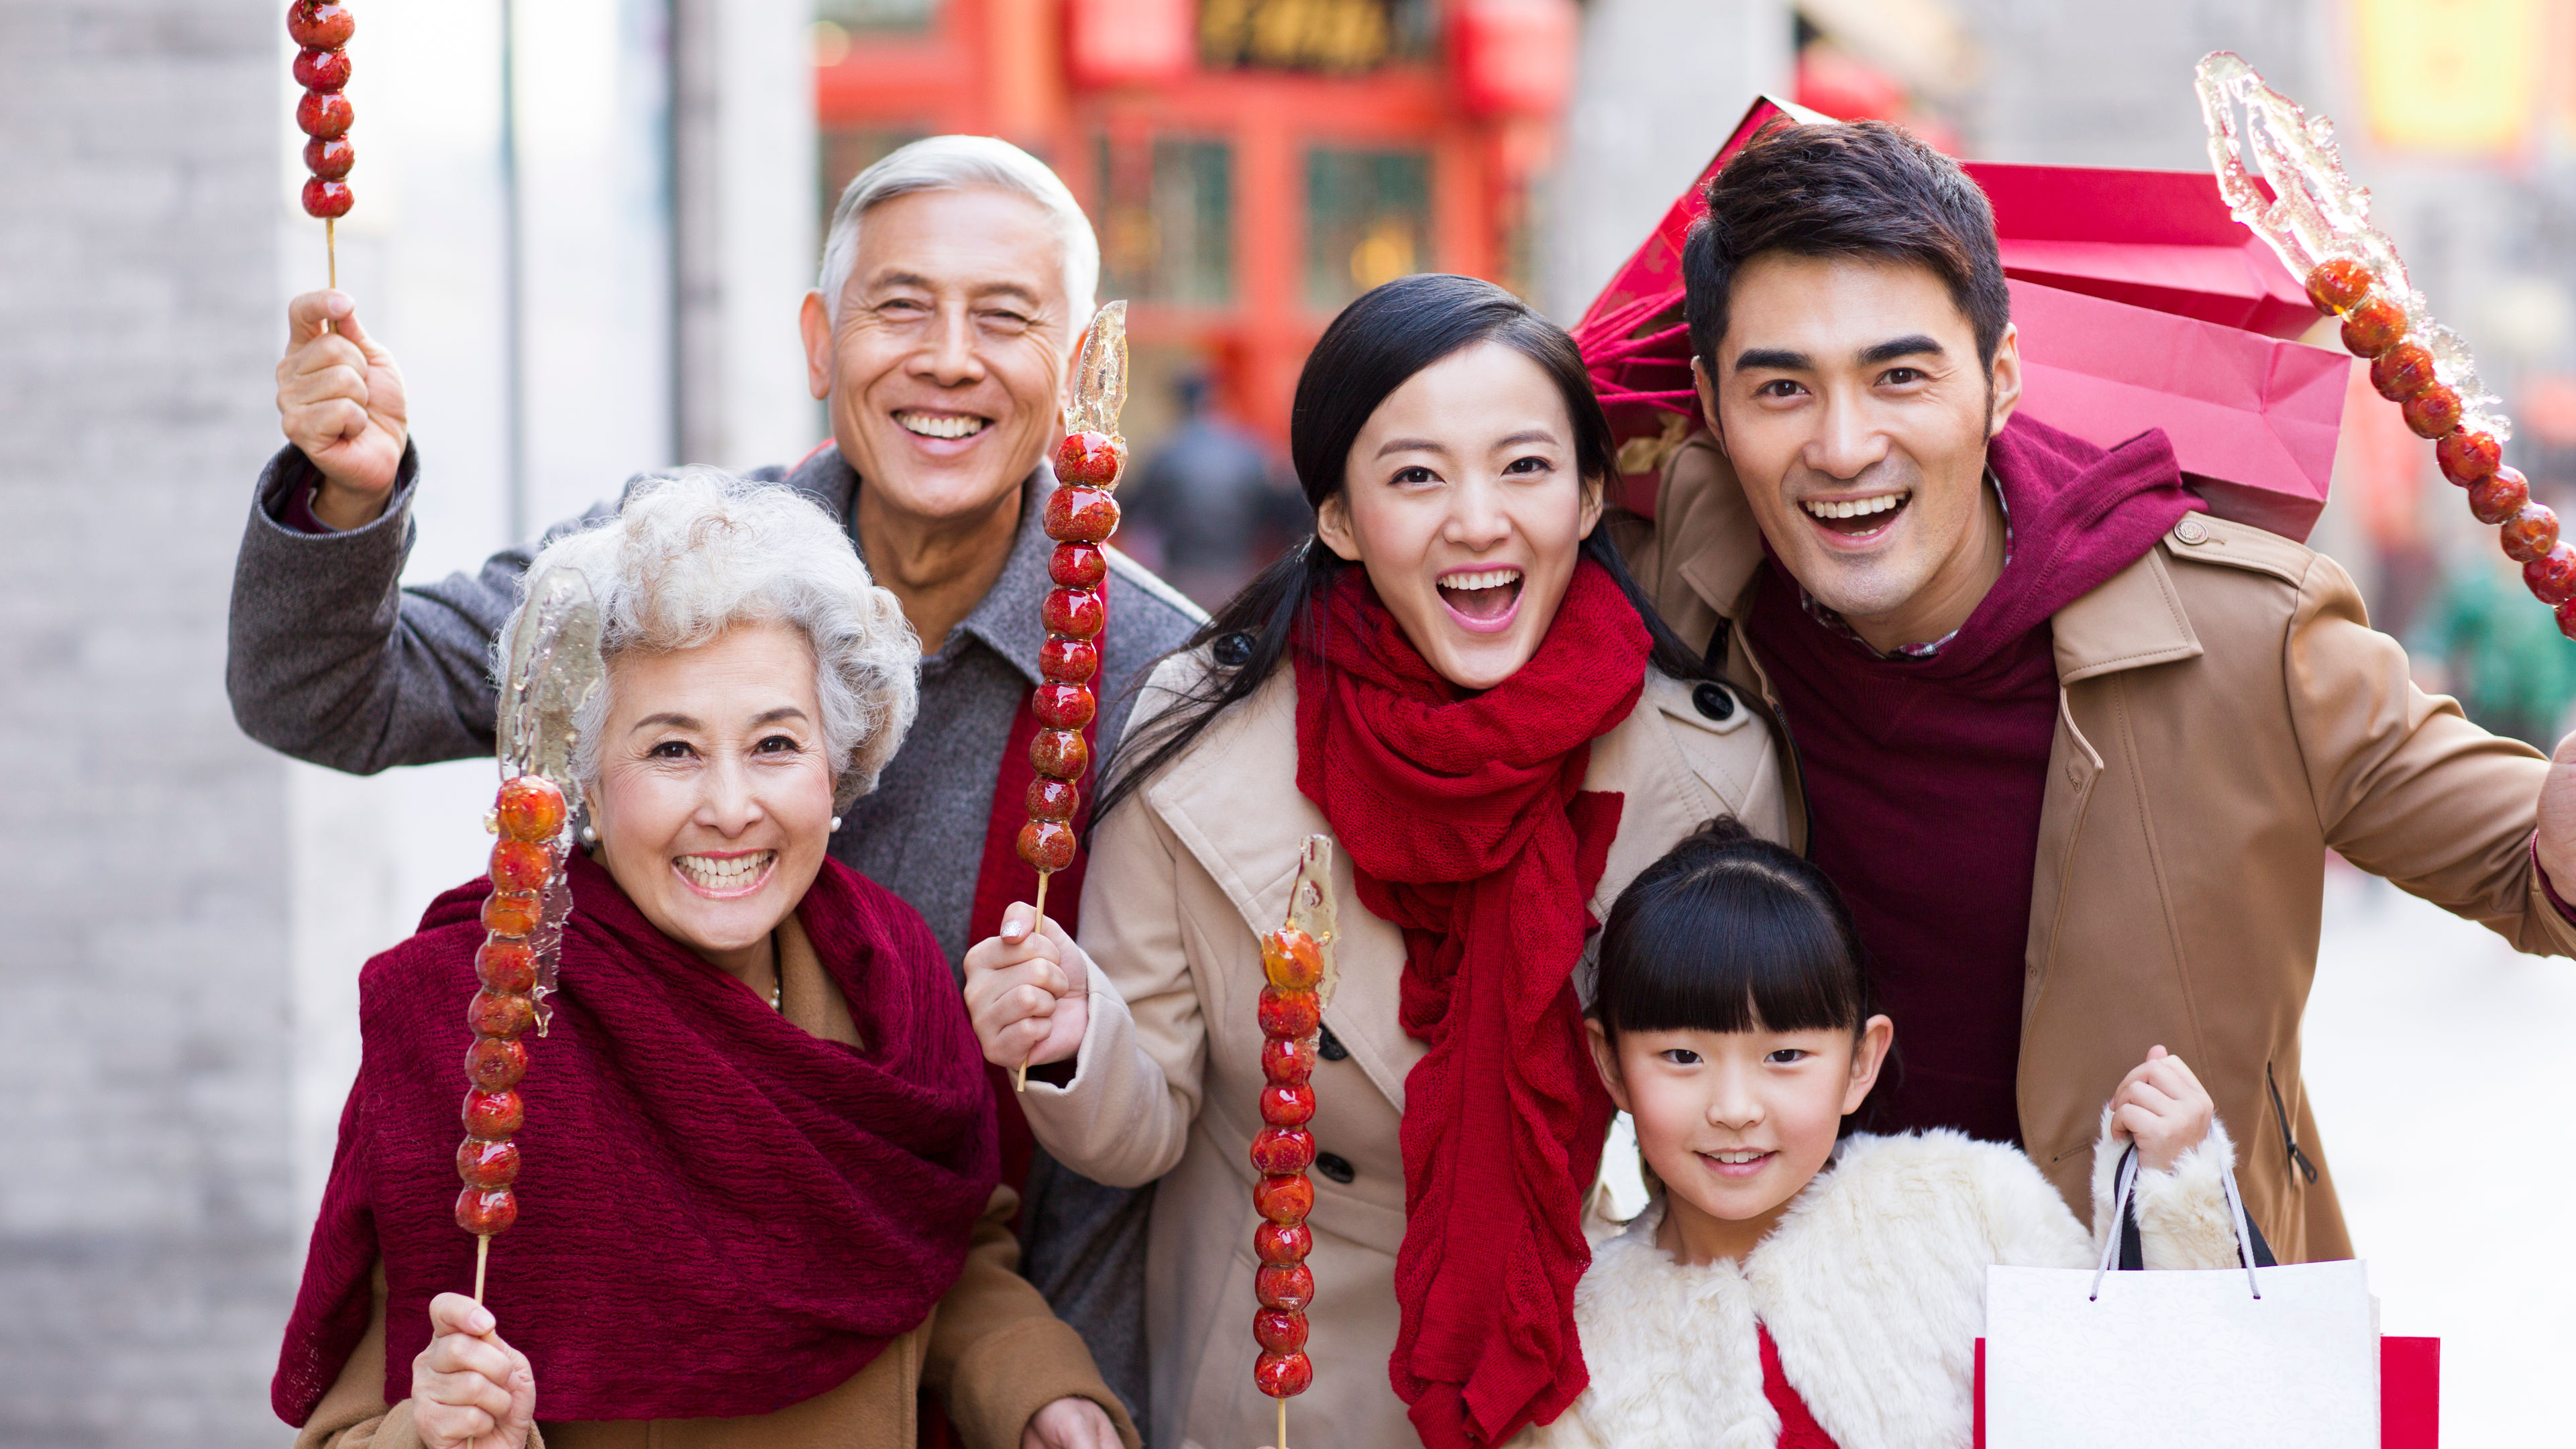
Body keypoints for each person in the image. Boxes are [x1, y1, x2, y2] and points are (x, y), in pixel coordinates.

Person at [231, 136, 1202, 1425]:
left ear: (1081, 373)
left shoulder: (1154, 672)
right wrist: (349, 501)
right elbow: (328, 695)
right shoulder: (665, 579)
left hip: (996, 1354)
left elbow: (1179, 1091)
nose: (950, 359)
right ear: (818, 340)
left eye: (1007, 318)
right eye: (901, 306)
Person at [1622, 117, 2576, 1264]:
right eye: (1782, 390)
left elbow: (2525, 870)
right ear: (1713, 410)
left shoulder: (2248, 631)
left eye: (1901, 377)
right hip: (1801, 1340)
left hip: (2158, 1331)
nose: (1842, 444)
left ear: (2000, 378)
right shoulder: (1672, 592)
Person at [961, 274, 1788, 1449]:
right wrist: (1068, 1040)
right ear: (1339, 519)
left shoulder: (1708, 775)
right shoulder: (1195, 739)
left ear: (1592, 494)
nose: (1477, 520)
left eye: (1525, 467)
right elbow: (1139, 1127)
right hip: (1276, 1370)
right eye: (1415, 475)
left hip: (1586, 1354)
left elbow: (1750, 1120)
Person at [272, 474, 1136, 1449]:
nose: (729, 806)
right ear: (586, 780)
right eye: (673, 751)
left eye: (774, 743)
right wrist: (434, 1433)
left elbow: (931, 1248)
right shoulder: (473, 1017)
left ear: (840, 759)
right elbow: (350, 1425)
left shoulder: (890, 973)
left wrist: (1036, 1392)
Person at [1519, 820, 2243, 1448]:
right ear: (1609, 1063)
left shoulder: (1968, 1209)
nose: (1734, 1108)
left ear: (1861, 1061)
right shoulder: (1580, 1337)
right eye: (1683, 1057)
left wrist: (2178, 1191)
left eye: (1784, 1056)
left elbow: (2157, 1392)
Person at [1117, 371, 1299, 608]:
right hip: (1239, 575)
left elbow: (1137, 513)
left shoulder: (1165, 453)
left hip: (1181, 577)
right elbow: (1277, 514)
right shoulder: (1248, 450)